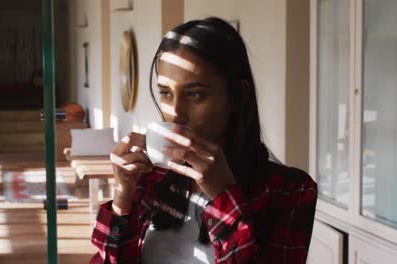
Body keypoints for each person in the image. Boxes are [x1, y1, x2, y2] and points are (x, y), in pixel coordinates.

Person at [90, 17, 317, 264]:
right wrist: (123, 199)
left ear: (238, 96)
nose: (176, 112)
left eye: (195, 94)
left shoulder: (290, 191)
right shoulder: (151, 177)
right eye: (166, 93)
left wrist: (223, 196)